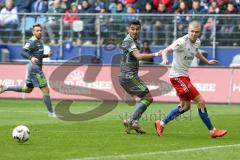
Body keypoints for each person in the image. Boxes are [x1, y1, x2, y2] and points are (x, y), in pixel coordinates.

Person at [154, 21, 227, 138]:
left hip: (183, 77)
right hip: (177, 77)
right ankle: (212, 130)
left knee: (185, 107)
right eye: (192, 31)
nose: (193, 34)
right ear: (188, 31)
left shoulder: (197, 42)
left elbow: (195, 51)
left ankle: (161, 123)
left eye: (196, 32)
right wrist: (164, 59)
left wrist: (207, 61)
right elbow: (166, 50)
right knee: (201, 101)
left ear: (199, 33)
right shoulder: (181, 42)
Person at [0, 23, 56, 117]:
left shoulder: (39, 41)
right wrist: (31, 58)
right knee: (46, 90)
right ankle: (51, 112)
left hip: (33, 67)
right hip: (35, 68)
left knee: (28, 89)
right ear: (33, 32)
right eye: (37, 31)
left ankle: (6, 87)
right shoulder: (31, 41)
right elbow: (23, 52)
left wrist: (47, 56)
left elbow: (37, 56)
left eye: (40, 30)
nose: (39, 32)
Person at [119, 20, 161, 134]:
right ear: (128, 29)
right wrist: (157, 54)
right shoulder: (129, 41)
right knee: (148, 98)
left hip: (126, 76)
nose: (135, 31)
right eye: (132, 29)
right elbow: (138, 56)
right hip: (129, 76)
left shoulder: (131, 41)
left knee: (145, 98)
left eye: (137, 29)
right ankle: (132, 121)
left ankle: (134, 123)